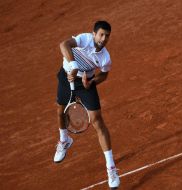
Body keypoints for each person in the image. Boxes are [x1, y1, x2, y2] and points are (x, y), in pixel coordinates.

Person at [53, 20, 120, 189]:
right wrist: (74, 66)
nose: (104, 38)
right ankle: (64, 140)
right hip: (66, 76)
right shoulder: (84, 39)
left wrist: (92, 83)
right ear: (94, 34)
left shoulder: (105, 57)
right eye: (101, 34)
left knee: (97, 120)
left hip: (85, 82)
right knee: (60, 111)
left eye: (107, 36)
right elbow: (64, 44)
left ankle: (111, 168)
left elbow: (104, 75)